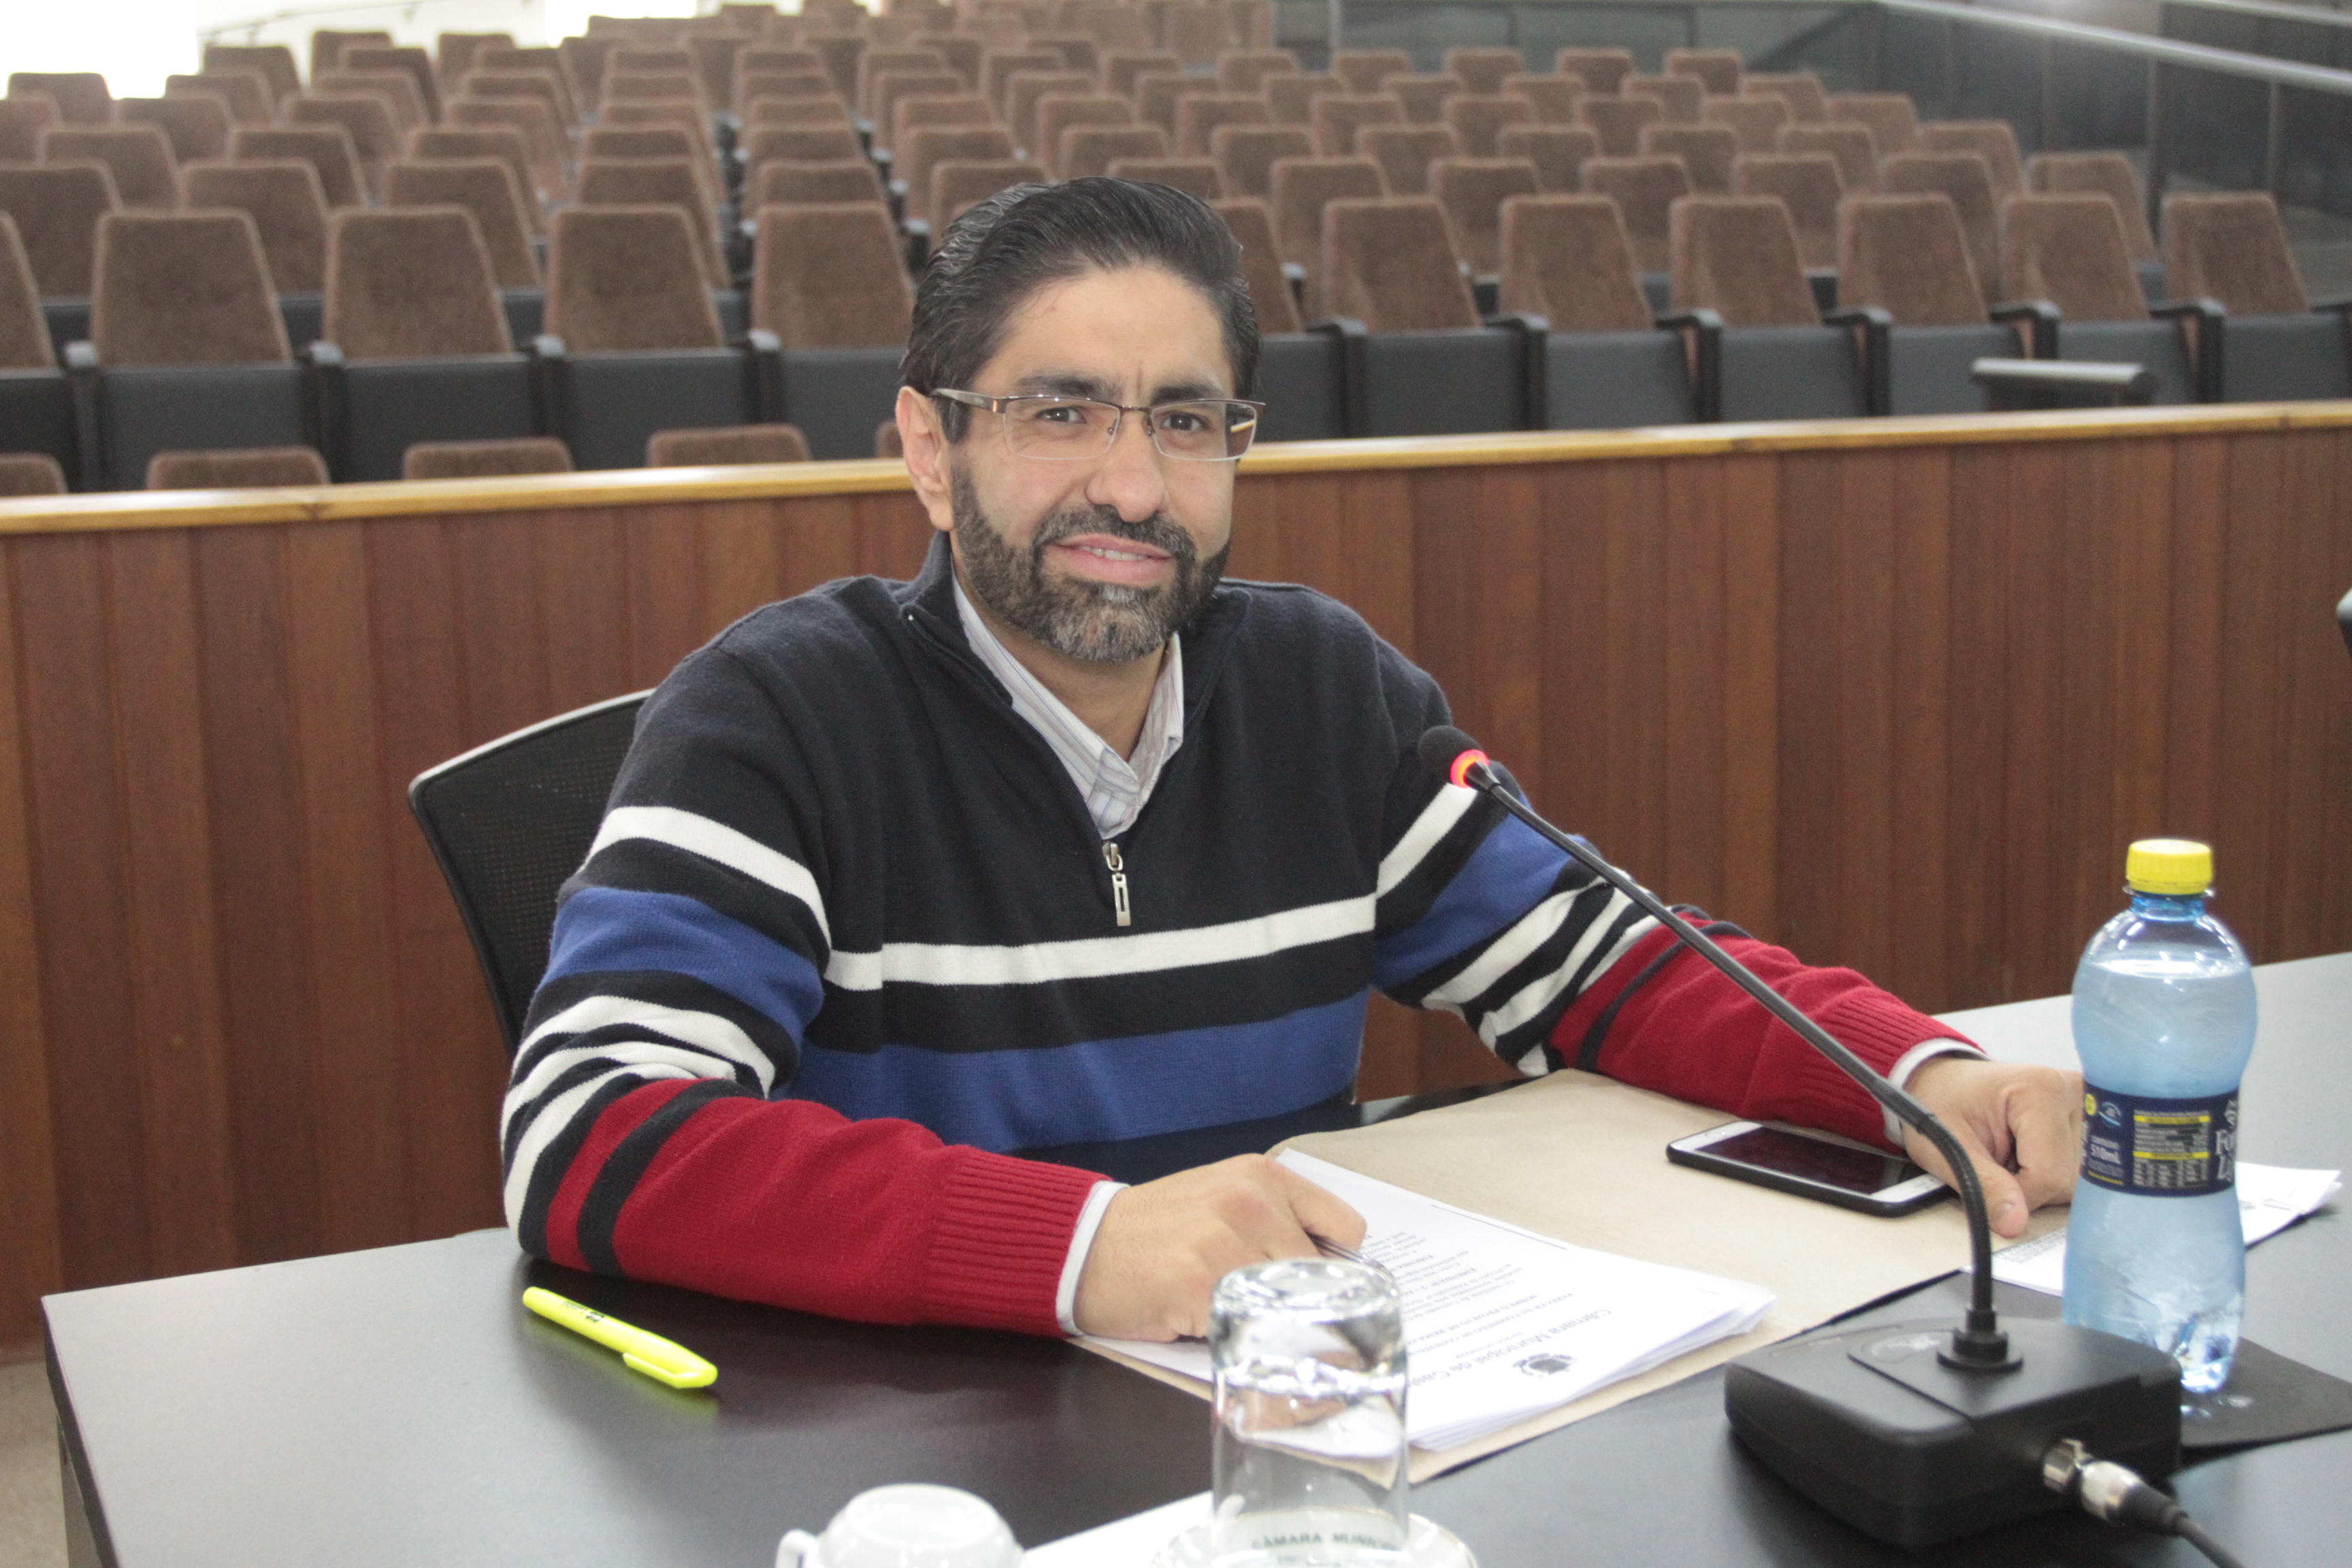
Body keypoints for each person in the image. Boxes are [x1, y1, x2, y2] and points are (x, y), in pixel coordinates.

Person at [502, 178, 2081, 1343]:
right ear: (932, 447)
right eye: (1062, 413)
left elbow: (1613, 970)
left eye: (1187, 423)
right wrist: (1080, 1247)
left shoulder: (1324, 693)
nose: (1134, 486)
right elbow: (589, 1129)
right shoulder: (779, 717)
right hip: (928, 1450)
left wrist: (1919, 1077)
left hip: (1282, 1419)